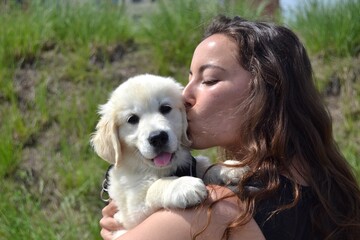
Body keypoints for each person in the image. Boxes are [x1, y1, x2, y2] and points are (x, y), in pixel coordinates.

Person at [99, 15, 360, 240]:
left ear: (264, 91)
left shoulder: (212, 210)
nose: (185, 96)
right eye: (189, 78)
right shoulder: (330, 190)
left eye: (209, 80)